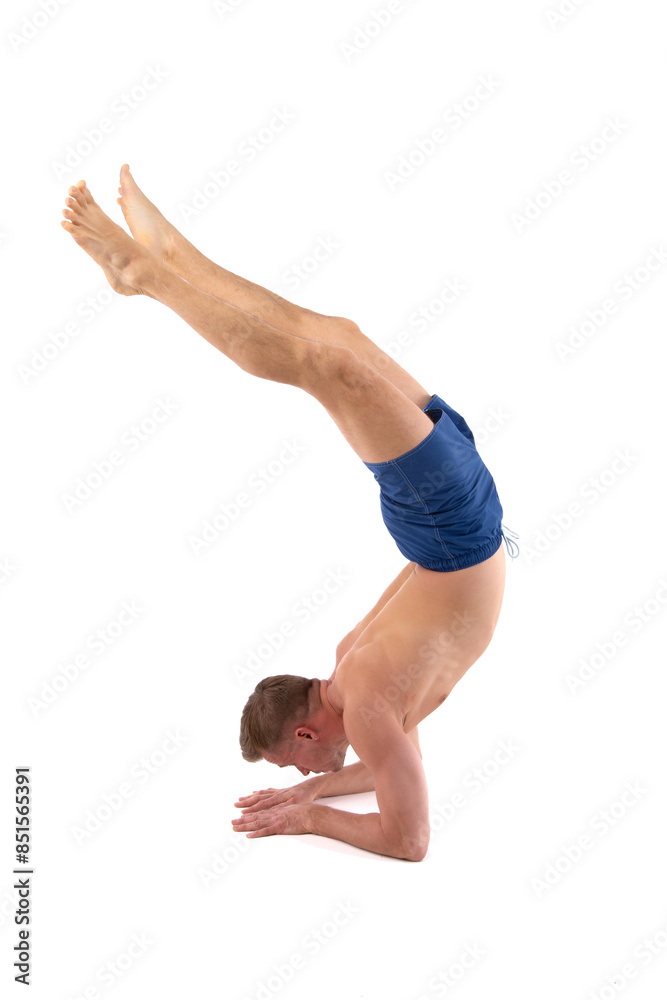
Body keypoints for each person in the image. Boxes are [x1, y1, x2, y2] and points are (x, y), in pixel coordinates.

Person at [61, 166, 518, 862]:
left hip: (451, 526)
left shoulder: (364, 703)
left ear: (305, 734)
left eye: (295, 766)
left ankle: (152, 272)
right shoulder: (350, 674)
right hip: (452, 519)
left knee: (325, 361)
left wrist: (312, 818)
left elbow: (406, 839)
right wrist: (311, 797)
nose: (308, 773)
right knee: (334, 341)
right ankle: (169, 263)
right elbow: (401, 797)